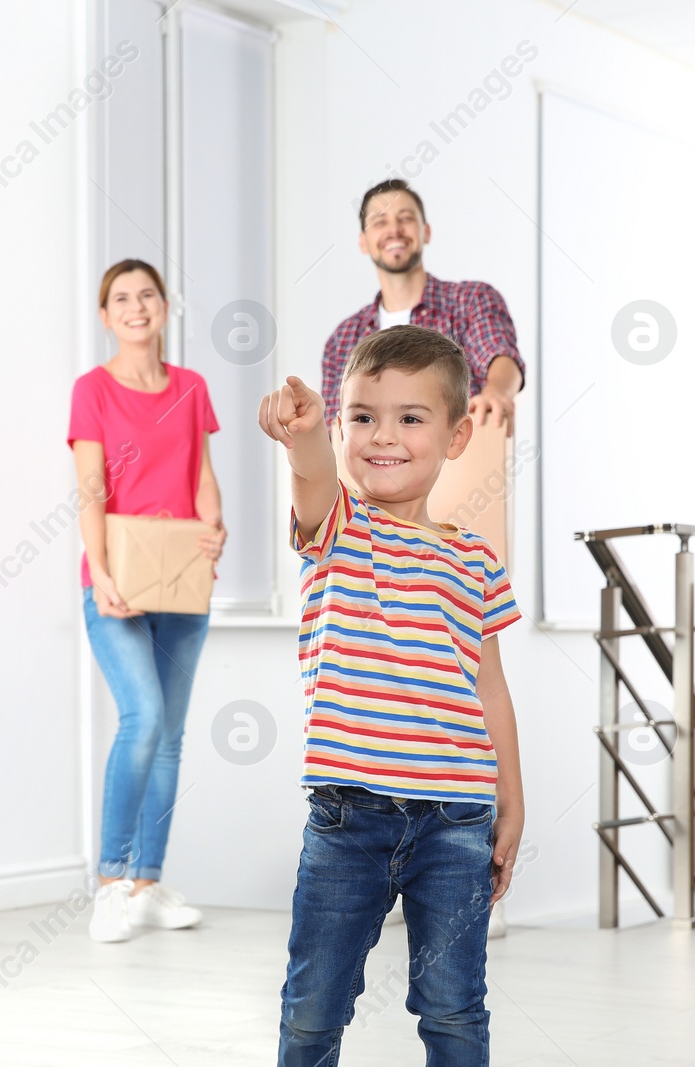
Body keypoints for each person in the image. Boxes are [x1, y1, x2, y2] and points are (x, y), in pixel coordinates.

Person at [259, 325, 525, 1065]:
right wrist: (304, 435)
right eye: (364, 417)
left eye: (411, 417)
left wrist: (514, 797)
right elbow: (312, 472)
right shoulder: (338, 526)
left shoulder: (475, 558)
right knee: (313, 1009)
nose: (385, 436)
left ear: (458, 431)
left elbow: (490, 686)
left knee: (454, 1009)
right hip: (350, 817)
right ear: (341, 425)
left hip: (457, 818)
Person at [68, 259, 227, 943]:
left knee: (170, 737)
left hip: (182, 579)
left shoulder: (190, 387)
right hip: (117, 579)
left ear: (166, 306)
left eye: (148, 295)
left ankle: (147, 882)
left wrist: (215, 531)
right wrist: (100, 571)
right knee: (144, 717)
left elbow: (201, 474)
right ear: (106, 316)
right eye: (122, 299)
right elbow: (92, 488)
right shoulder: (92, 390)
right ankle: (108, 882)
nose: (137, 307)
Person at [323, 179, 525, 435]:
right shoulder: (343, 338)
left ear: (426, 231)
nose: (394, 230)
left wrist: (496, 392)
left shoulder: (470, 300)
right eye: (379, 222)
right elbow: (334, 433)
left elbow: (498, 354)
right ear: (363, 241)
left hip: (461, 471)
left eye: (405, 218)